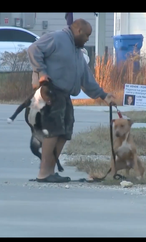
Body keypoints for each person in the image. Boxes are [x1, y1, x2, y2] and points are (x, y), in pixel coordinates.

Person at [27, 18, 117, 183]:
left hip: (65, 96)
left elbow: (86, 78)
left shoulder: (77, 51)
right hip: (52, 92)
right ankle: (44, 173)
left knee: (64, 132)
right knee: (53, 131)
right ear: (78, 31)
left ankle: (50, 171)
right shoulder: (56, 38)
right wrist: (41, 71)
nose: (88, 39)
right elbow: (33, 49)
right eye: (87, 35)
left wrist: (104, 95)